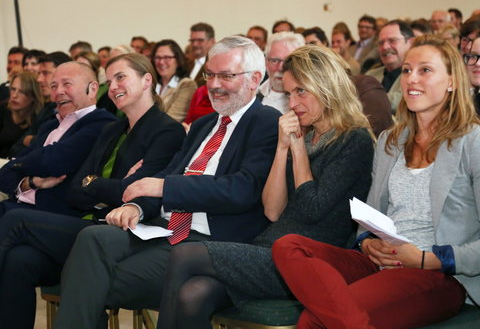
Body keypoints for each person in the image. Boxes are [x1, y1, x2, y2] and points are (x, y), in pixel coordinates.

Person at [52, 36, 280, 329]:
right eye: (209, 75)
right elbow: (168, 174)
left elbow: (242, 189)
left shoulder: (265, 121)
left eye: (226, 76)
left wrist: (163, 188)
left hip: (212, 241)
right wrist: (137, 207)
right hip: (165, 229)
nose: (213, 84)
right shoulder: (203, 125)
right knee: (93, 237)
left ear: (254, 79)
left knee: (85, 277)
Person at [154, 44, 375, 329]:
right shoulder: (306, 136)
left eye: (301, 92)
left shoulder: (353, 140)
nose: (293, 103)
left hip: (312, 259)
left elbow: (311, 208)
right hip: (271, 248)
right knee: (192, 295)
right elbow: (272, 210)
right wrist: (283, 148)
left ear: (327, 87)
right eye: (289, 93)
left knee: (185, 254)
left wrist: (296, 149)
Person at [273, 34, 480, 329]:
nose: (411, 79)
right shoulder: (391, 141)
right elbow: (371, 216)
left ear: (452, 81)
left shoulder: (472, 142)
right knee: (288, 246)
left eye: (425, 70)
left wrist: (427, 258)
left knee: (313, 320)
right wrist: (368, 242)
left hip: (439, 274)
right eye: (407, 70)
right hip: (380, 260)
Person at [0, 53, 185, 329]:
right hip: (87, 224)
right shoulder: (113, 129)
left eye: (120, 77)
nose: (112, 87)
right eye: (109, 81)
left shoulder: (166, 131)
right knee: (19, 260)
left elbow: (136, 192)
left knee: (15, 218)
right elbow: (77, 191)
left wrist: (94, 184)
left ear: (147, 80)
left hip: (122, 232)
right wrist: (108, 186)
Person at [0, 62, 116, 217]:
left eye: (67, 84)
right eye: (53, 86)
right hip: (17, 205)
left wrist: (18, 164)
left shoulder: (101, 123)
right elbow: (4, 174)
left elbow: (52, 162)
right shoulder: (50, 125)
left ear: (92, 89)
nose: (59, 92)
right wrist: (31, 182)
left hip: (48, 214)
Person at [152, 39, 197, 122]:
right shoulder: (150, 84)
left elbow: (171, 120)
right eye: (158, 57)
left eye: (167, 57)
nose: (161, 62)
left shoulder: (187, 85)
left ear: (178, 60)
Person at [0, 72, 44, 158]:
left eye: (22, 92)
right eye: (13, 89)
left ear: (33, 96)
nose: (15, 95)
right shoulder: (2, 109)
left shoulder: (39, 118)